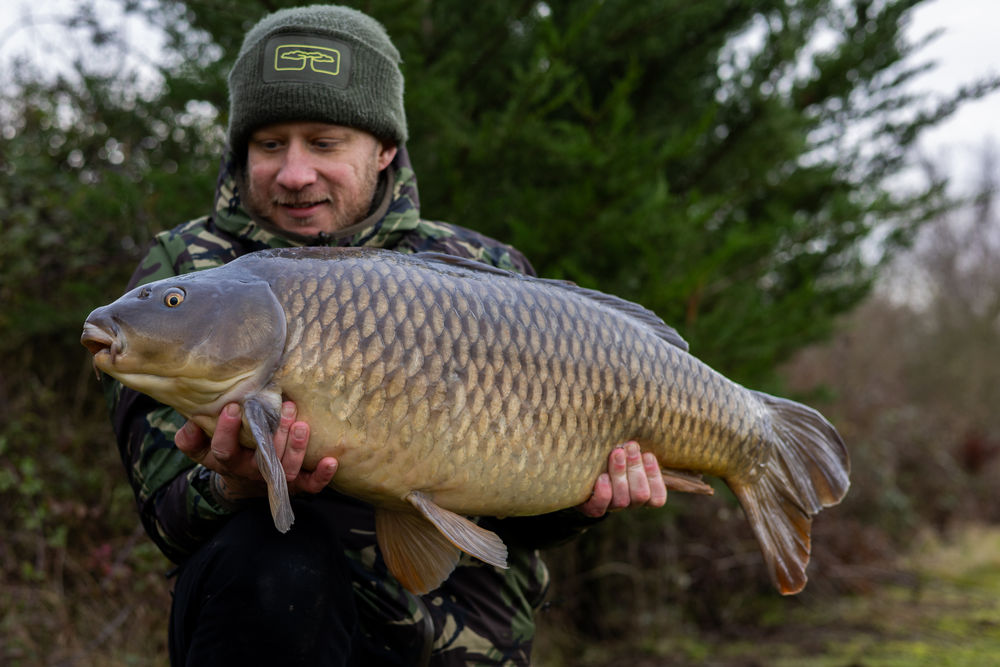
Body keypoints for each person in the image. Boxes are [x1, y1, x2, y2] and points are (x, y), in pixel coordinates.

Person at [103, 5, 667, 666]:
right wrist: (233, 485)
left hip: (463, 632)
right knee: (271, 560)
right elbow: (166, 516)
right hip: (273, 626)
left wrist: (585, 502)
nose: (293, 173)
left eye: (324, 142)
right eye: (269, 144)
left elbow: (526, 525)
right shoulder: (187, 271)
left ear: (385, 149)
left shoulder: (484, 269)